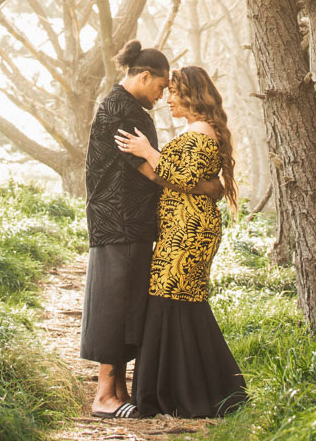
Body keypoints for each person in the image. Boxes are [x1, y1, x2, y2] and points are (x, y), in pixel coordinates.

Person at [81, 41, 220, 417]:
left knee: (126, 307)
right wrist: (209, 186)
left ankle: (120, 391)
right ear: (145, 76)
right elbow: (149, 171)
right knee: (114, 305)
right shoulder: (123, 112)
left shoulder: (125, 108)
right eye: (161, 86)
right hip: (121, 222)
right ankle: (105, 395)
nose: (162, 96)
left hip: (128, 222)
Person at [114, 64, 247, 420]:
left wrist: (146, 150)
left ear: (190, 95)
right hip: (181, 228)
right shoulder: (197, 130)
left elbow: (184, 176)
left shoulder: (200, 131)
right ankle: (201, 391)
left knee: (171, 300)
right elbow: (184, 180)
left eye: (174, 92)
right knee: (178, 303)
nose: (168, 98)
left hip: (188, 231)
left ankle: (177, 394)